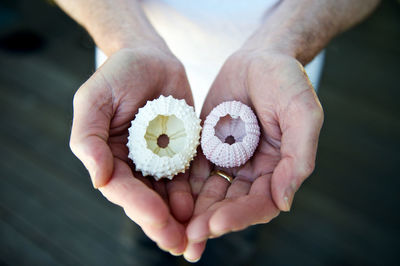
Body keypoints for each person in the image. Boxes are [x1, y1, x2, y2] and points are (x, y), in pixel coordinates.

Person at [54, 0, 380, 262]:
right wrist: (125, 40)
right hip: (135, 93)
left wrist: (283, 43)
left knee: (235, 225)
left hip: (270, 105)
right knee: (150, 223)